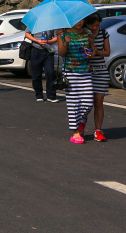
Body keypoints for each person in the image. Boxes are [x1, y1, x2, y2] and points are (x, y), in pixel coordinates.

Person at [57, 16, 95, 144]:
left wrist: (92, 51)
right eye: (76, 20)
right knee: (74, 104)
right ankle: (75, 132)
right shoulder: (63, 34)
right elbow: (61, 53)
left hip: (86, 71)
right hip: (70, 72)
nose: (79, 22)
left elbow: (91, 49)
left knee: (88, 103)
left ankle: (80, 121)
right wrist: (66, 42)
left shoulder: (88, 33)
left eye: (81, 19)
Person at [84, 13, 110, 141]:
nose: (94, 27)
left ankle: (98, 130)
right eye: (92, 25)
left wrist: (97, 51)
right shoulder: (82, 33)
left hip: (100, 71)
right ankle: (80, 127)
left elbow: (107, 52)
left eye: (97, 25)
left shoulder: (104, 33)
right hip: (85, 71)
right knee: (86, 103)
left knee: (99, 102)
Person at [24, 27, 59, 102]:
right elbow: (27, 34)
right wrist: (37, 41)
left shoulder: (53, 23)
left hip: (48, 50)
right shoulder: (35, 22)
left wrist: (49, 41)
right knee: (36, 75)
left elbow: (57, 37)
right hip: (36, 49)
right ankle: (39, 94)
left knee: (50, 73)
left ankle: (51, 95)